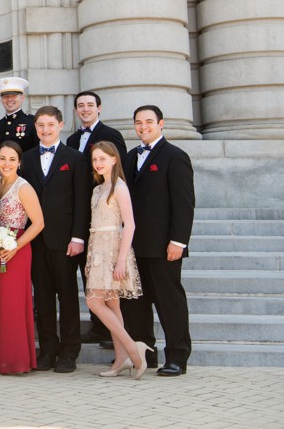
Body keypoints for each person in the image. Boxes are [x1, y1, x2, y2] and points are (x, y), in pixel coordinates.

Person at [120, 105, 194, 377]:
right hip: (133, 247)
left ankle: (177, 357)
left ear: (161, 124)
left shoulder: (175, 157)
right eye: (138, 122)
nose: (143, 127)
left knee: (169, 303)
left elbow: (184, 203)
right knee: (136, 305)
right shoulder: (129, 158)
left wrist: (179, 241)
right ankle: (145, 356)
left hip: (164, 247)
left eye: (149, 122)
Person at [20, 106, 91, 373]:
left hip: (64, 240)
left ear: (61, 125)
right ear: (35, 128)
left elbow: (81, 201)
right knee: (43, 298)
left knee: (68, 296)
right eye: (41, 126)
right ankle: (48, 350)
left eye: (50, 125)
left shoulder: (75, 158)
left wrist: (78, 237)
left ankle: (69, 352)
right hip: (35, 240)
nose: (45, 130)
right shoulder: (25, 158)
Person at [64, 90, 127, 346]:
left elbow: (120, 174)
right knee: (89, 273)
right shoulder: (71, 139)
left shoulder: (111, 135)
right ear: (76, 110)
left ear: (99, 108)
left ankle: (115, 333)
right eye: (81, 106)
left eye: (90, 105)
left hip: (105, 212)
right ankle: (99, 325)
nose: (85, 109)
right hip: (81, 215)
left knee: (108, 282)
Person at [85, 141, 149, 379]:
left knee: (94, 302)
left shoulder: (119, 187)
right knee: (112, 304)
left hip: (112, 249)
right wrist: (90, 257)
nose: (98, 163)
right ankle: (121, 358)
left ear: (114, 159)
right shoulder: (99, 188)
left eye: (103, 158)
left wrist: (121, 260)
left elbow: (130, 224)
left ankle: (134, 349)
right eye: (95, 159)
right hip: (97, 248)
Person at [0, 141, 44, 375]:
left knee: (12, 304)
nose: (6, 163)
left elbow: (39, 223)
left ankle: (15, 359)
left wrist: (15, 247)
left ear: (19, 162)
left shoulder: (24, 188)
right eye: (2, 158)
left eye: (12, 159)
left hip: (16, 250)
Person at [0, 77, 37, 152]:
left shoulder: (33, 122)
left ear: (22, 98)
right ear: (1, 100)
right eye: (5, 97)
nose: (9, 100)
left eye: (14, 96)